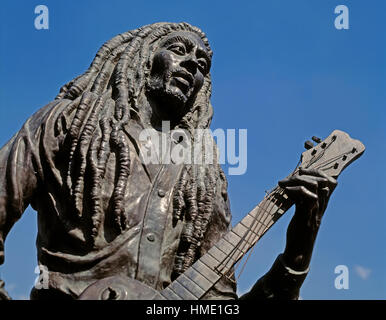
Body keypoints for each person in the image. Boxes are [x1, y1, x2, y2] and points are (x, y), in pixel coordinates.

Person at [0, 22, 337, 300]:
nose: (193, 64)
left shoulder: (202, 181)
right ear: (142, 60)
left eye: (203, 65)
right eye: (178, 50)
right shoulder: (69, 125)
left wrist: (300, 244)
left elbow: (221, 304)